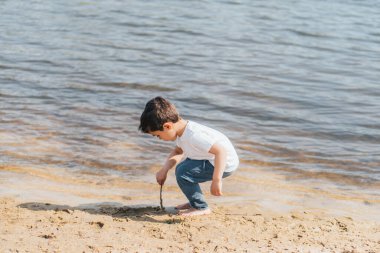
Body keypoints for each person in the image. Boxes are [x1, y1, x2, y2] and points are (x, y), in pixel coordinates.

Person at [139, 97, 239, 216]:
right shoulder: (182, 132)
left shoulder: (194, 135)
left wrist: (217, 180)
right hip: (211, 158)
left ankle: (201, 207)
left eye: (158, 136)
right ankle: (194, 201)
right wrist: (164, 170)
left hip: (224, 163)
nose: (159, 139)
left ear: (167, 126)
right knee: (184, 167)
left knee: (183, 172)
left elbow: (221, 152)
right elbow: (177, 152)